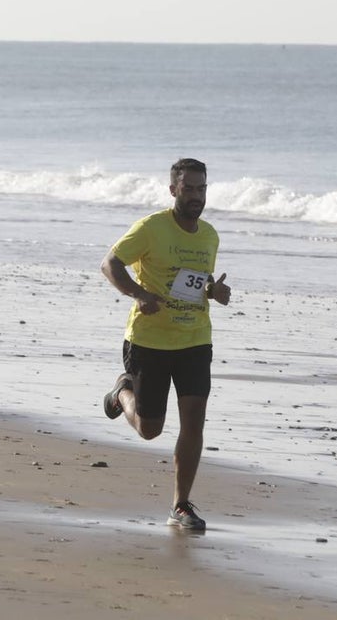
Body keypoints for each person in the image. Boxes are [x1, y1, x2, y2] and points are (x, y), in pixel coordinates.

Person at [100, 158, 231, 531]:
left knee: (194, 421)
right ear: (173, 189)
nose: (196, 196)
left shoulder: (209, 235)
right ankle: (122, 392)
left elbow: (197, 280)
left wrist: (214, 290)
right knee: (150, 429)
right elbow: (111, 264)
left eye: (201, 188)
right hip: (149, 341)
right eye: (188, 188)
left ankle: (181, 505)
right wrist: (138, 293)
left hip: (194, 340)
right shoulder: (150, 228)